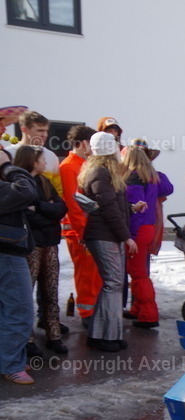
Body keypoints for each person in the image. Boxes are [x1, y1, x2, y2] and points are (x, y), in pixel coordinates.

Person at [79, 132, 137, 352]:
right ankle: (103, 336)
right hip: (104, 235)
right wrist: (126, 236)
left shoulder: (100, 171)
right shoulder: (101, 173)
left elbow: (113, 207)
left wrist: (130, 211)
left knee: (112, 284)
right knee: (113, 283)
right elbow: (109, 210)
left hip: (106, 234)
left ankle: (105, 334)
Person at [13, 145, 67, 355]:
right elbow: (25, 214)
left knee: (51, 288)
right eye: (41, 159)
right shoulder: (20, 183)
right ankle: (27, 338)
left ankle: (53, 332)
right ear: (32, 161)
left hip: (51, 241)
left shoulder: (45, 181)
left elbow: (62, 208)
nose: (46, 162)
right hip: (31, 244)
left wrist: (42, 208)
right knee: (28, 290)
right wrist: (49, 213)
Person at [122, 140, 173, 329]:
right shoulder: (152, 177)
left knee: (138, 273)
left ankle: (149, 314)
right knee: (137, 271)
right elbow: (169, 188)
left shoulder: (133, 178)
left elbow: (136, 210)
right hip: (150, 227)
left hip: (139, 229)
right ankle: (137, 308)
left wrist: (130, 235)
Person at [0, 147, 39, 384]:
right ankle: (11, 365)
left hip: (8, 252)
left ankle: (8, 359)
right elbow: (27, 191)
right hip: (7, 254)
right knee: (20, 311)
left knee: (7, 312)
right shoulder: (7, 185)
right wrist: (7, 166)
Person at [59, 125, 101, 326]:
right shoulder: (69, 166)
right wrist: (83, 233)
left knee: (93, 274)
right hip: (79, 231)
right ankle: (87, 315)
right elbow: (73, 204)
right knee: (86, 275)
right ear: (83, 143)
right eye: (91, 144)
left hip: (86, 229)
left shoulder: (80, 164)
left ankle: (92, 313)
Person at [10, 110, 62, 196]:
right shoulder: (9, 154)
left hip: (46, 207)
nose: (45, 134)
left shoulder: (51, 156)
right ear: (24, 129)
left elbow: (58, 188)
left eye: (46, 131)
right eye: (40, 130)